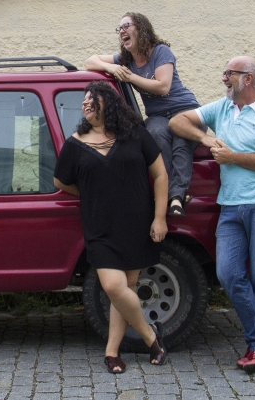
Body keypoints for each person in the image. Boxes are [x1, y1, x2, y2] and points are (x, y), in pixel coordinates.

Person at [169, 56, 255, 373]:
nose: (224, 78)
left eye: (229, 74)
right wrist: (205, 137)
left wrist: (233, 157)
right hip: (231, 206)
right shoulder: (220, 109)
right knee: (228, 273)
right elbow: (177, 121)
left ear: (247, 79)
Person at [53, 81, 169, 374]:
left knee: (125, 289)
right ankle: (150, 337)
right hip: (100, 227)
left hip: (136, 223)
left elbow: (161, 174)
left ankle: (112, 352)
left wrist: (159, 218)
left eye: (92, 99)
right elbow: (60, 181)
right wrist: (90, 193)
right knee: (114, 286)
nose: (86, 104)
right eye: (84, 100)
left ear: (109, 103)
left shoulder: (135, 134)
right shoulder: (76, 141)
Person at [85, 12, 202, 216]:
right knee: (155, 136)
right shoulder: (126, 59)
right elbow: (90, 61)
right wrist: (110, 67)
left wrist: (129, 77)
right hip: (158, 115)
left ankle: (175, 197)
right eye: (119, 28)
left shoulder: (160, 52)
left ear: (141, 28)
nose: (121, 31)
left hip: (184, 109)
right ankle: (169, 195)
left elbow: (163, 87)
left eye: (126, 26)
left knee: (182, 144)